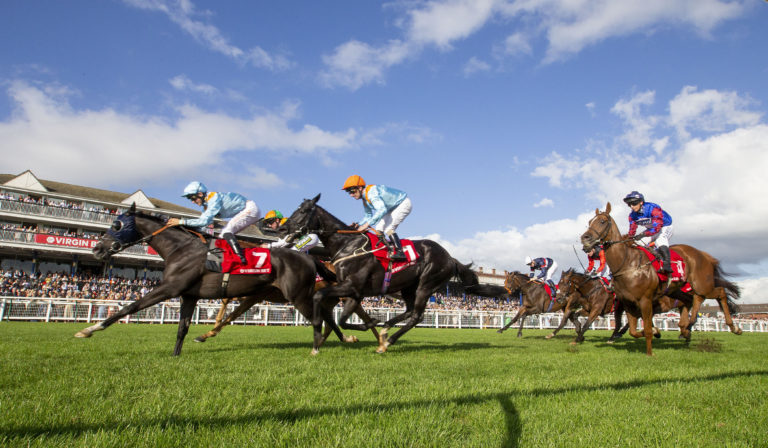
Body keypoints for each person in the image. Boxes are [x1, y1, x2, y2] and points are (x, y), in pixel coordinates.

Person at [167, 181, 260, 264]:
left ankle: (241, 260)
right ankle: (225, 261)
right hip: (246, 210)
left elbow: (203, 221)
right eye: (189, 199)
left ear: (200, 194)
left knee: (226, 232)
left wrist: (181, 221)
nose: (192, 202)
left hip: (250, 209)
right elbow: (203, 226)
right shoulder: (207, 205)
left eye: (193, 198)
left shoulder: (213, 199)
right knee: (220, 239)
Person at [342, 174, 412, 261]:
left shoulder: (371, 193)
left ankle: (400, 253)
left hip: (402, 204)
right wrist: (358, 224)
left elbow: (382, 209)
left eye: (352, 191)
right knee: (378, 228)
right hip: (391, 209)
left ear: (360, 188)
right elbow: (368, 216)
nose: (351, 195)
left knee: (388, 228)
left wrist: (366, 225)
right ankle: (388, 250)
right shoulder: (365, 199)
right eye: (349, 192)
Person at [623, 190, 673, 274]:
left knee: (660, 241)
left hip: (665, 226)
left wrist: (643, 234)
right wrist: (629, 239)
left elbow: (657, 227)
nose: (631, 206)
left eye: (634, 203)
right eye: (629, 204)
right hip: (651, 230)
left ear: (641, 202)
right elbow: (632, 230)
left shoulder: (653, 208)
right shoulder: (632, 215)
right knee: (636, 243)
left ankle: (667, 264)